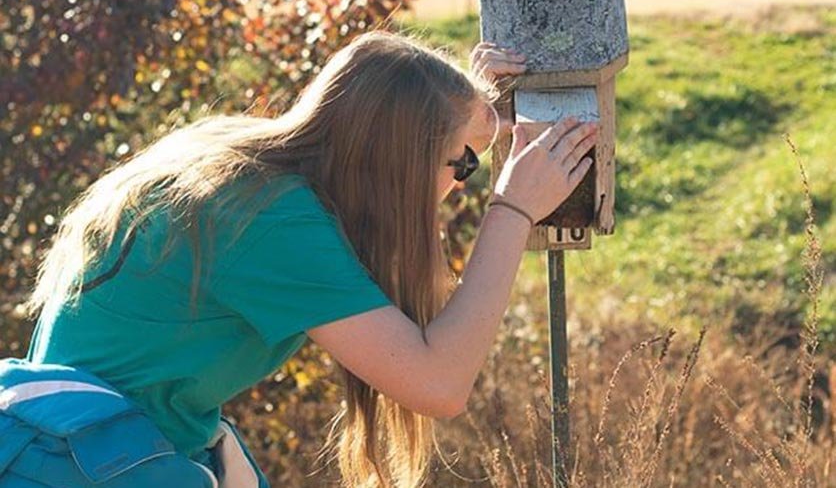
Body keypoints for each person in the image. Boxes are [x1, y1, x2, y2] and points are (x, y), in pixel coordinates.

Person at [0, 32, 597, 488]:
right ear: (398, 155)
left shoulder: (242, 165)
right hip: (85, 466)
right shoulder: (270, 221)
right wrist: (512, 209)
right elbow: (438, 385)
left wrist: (461, 111)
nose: (462, 185)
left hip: (74, 448)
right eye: (462, 164)